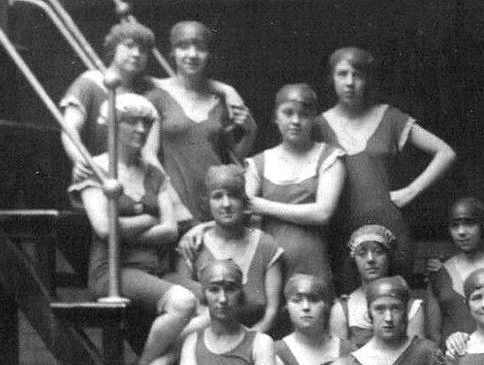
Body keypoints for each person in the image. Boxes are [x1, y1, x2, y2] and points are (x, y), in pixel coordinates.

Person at [70, 92, 193, 365]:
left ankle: (156, 363)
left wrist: (129, 227)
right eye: (132, 122)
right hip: (113, 272)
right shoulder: (95, 169)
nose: (141, 129)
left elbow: (171, 230)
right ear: (113, 125)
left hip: (157, 270)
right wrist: (148, 219)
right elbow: (103, 228)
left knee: (214, 306)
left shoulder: (153, 173)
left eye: (146, 123)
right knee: (184, 302)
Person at [315, 46, 456, 289]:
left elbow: (446, 153)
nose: (350, 82)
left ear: (367, 79)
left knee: (392, 305)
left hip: (390, 232)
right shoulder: (317, 126)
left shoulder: (390, 118)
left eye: (357, 75)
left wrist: (410, 191)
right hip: (341, 234)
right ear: (331, 78)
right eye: (342, 74)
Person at [146, 21, 256, 227]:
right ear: (172, 53)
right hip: (174, 203)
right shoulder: (156, 97)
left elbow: (232, 160)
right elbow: (147, 156)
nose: (192, 54)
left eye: (200, 47)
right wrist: (174, 204)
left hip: (216, 202)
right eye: (183, 46)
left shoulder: (219, 100)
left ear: (208, 54)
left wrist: (250, 133)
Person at [246, 84, 346, 283]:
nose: (295, 121)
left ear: (313, 118)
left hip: (313, 264)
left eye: (304, 114)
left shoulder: (330, 157)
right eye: (288, 113)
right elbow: (241, 210)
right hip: (269, 267)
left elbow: (322, 213)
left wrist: (263, 206)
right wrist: (203, 227)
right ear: (276, 116)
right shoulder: (257, 163)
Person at [177, 165, 284, 334]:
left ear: (245, 201)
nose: (226, 204)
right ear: (208, 202)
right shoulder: (194, 245)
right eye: (218, 197)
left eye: (233, 196)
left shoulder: (266, 245)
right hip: (204, 341)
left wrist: (246, 344)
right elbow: (186, 311)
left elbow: (272, 313)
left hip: (254, 342)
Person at [59, 20, 156, 163]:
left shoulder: (144, 91)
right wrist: (82, 162)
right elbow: (70, 128)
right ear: (114, 48)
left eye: (143, 50)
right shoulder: (90, 82)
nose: (136, 54)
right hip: (95, 171)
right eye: (129, 46)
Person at [427, 198, 484, 346]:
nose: (461, 232)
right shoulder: (440, 273)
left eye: (469, 224)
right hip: (451, 361)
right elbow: (434, 334)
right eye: (455, 225)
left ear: (482, 226)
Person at [331, 225, 426, 348]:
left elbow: (417, 361)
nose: (370, 259)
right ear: (354, 260)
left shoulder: (412, 308)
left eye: (378, 252)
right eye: (362, 253)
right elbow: (340, 362)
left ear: (389, 257)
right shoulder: (342, 309)